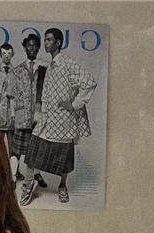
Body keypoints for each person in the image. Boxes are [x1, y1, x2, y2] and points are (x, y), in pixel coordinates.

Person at [19, 28, 97, 206]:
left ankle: (62, 186)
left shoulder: (69, 64)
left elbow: (89, 83)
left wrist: (74, 104)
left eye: (49, 40)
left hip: (63, 120)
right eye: (45, 40)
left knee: (64, 155)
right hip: (48, 118)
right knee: (33, 150)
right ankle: (28, 185)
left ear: (58, 43)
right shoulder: (49, 67)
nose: (46, 43)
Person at [9, 33, 48, 188]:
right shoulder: (17, 70)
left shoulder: (45, 68)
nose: (32, 48)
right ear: (24, 47)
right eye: (29, 45)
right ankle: (12, 176)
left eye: (35, 45)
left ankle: (36, 175)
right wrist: (13, 115)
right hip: (22, 115)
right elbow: (12, 95)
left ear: (38, 48)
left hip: (39, 115)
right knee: (16, 149)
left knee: (37, 148)